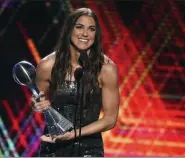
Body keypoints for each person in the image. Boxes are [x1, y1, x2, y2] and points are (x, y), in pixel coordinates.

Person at [31, 7, 120, 157]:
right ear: (69, 30)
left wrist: (74, 134)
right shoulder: (47, 66)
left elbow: (110, 119)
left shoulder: (106, 69)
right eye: (79, 27)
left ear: (96, 34)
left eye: (91, 29)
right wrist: (36, 105)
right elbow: (38, 101)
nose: (85, 34)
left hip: (89, 149)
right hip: (54, 147)